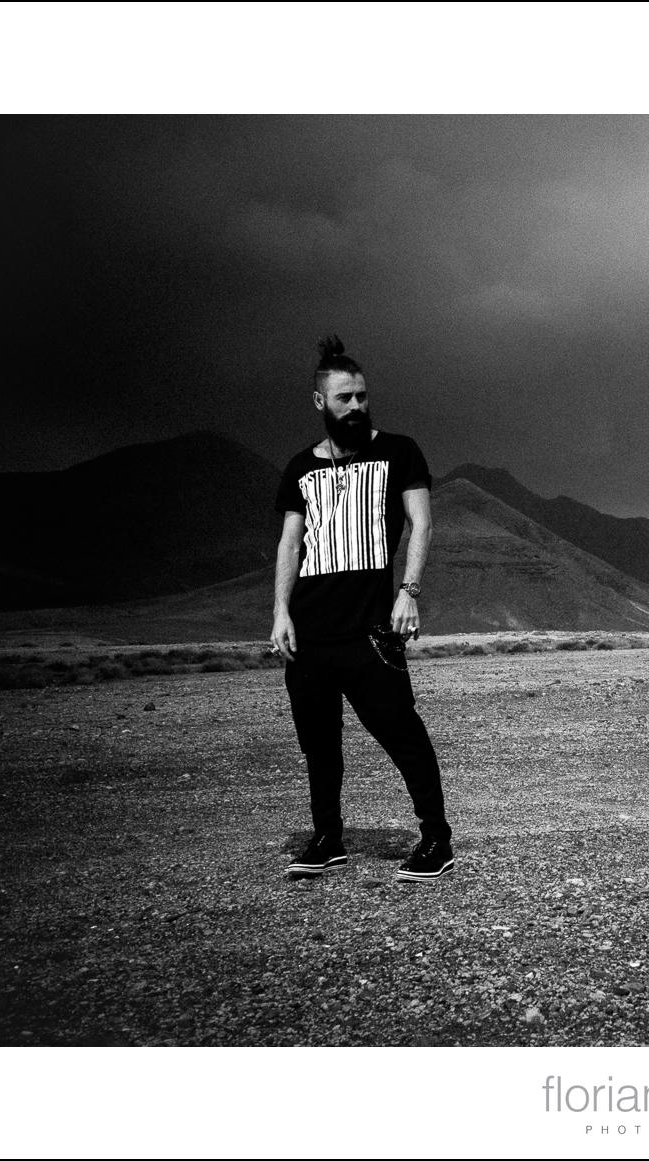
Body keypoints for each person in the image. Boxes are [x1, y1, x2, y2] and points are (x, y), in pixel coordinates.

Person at [270, 334, 455, 881]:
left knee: (402, 733)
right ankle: (327, 838)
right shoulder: (299, 468)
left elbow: (421, 523)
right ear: (320, 402)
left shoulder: (399, 451)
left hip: (371, 631)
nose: (356, 406)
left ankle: (436, 840)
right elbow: (290, 545)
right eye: (344, 398)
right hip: (310, 634)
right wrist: (280, 612)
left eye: (362, 396)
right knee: (319, 745)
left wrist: (409, 591)